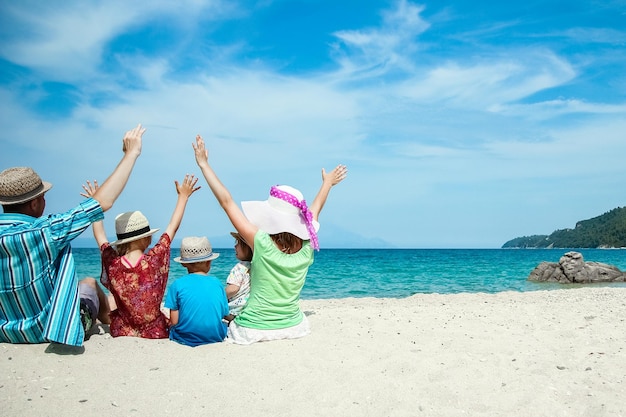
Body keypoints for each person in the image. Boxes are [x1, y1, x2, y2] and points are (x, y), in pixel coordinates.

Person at [192, 134, 347, 344]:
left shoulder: (261, 242)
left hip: (253, 329)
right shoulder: (309, 243)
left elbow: (227, 202)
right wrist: (327, 184)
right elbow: (316, 210)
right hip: (294, 326)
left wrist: (204, 165)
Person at [0, 123, 145, 347]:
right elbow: (102, 203)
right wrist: (131, 154)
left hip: (5, 333)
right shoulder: (46, 231)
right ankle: (111, 318)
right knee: (87, 283)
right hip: (47, 331)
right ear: (35, 202)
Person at [82, 174, 200, 339]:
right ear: (147, 238)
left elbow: (99, 235)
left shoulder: (113, 262)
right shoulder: (154, 259)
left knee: (111, 297)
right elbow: (173, 227)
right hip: (154, 331)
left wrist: (94, 206)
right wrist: (183, 197)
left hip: (121, 330)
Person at [164, 236, 228, 346]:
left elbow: (174, 322)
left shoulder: (177, 284)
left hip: (184, 338)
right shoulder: (217, 283)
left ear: (183, 263)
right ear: (209, 262)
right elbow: (222, 314)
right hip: (216, 336)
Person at [224, 232, 252, 323]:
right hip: (248, 309)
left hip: (233, 311)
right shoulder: (255, 267)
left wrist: (219, 297)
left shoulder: (239, 267)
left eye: (238, 243)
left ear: (247, 247)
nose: (235, 246)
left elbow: (232, 289)